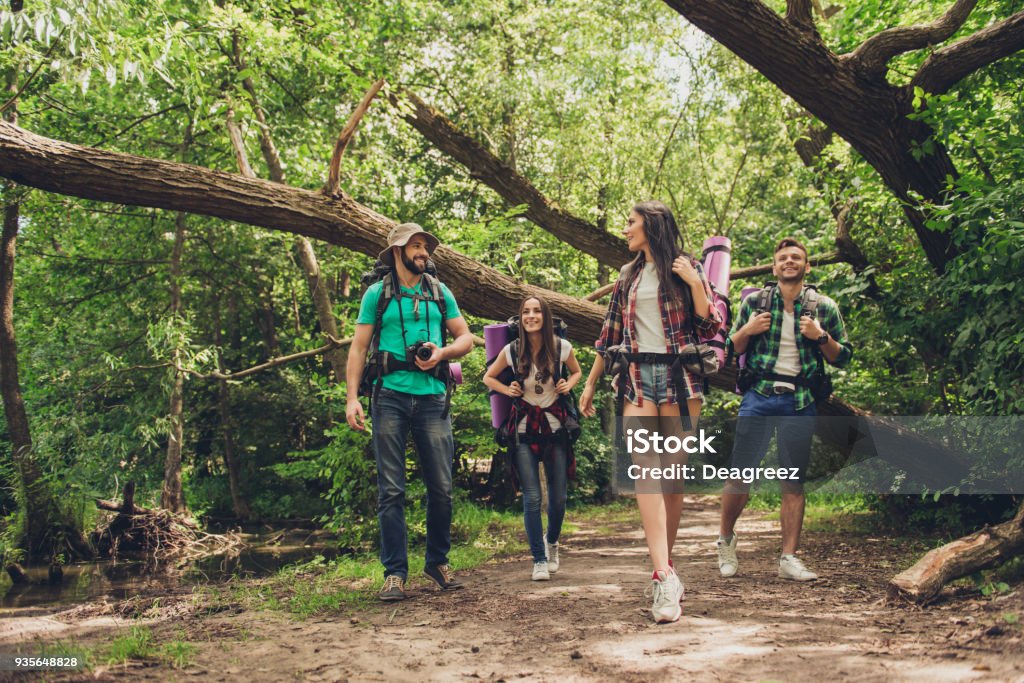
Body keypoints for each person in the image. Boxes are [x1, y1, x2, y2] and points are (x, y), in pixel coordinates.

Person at [579, 200, 722, 624]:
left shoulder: (686, 267)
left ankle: (668, 567)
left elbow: (712, 326)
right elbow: (610, 336)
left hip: (681, 382)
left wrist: (695, 283)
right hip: (638, 380)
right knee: (647, 472)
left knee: (673, 477)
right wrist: (589, 383)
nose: (626, 229)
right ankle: (661, 574)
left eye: (631, 223)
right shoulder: (628, 276)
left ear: (652, 226)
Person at [346, 223, 475, 601]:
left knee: (442, 487)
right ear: (398, 251)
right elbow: (358, 348)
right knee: (391, 489)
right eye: (415, 246)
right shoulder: (377, 294)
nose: (423, 252)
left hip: (434, 397)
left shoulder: (439, 291)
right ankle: (394, 574)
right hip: (389, 398)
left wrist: (443, 352)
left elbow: (465, 337)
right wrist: (352, 397)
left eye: (425, 247)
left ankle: (437, 562)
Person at [716, 237, 852, 582]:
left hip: (800, 401)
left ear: (807, 267)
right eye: (782, 258)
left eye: (796, 258)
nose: (789, 262)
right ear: (774, 267)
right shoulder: (755, 303)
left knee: (793, 483)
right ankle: (725, 540)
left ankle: (788, 558)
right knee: (739, 477)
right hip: (759, 396)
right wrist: (748, 329)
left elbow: (843, 357)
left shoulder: (824, 307)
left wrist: (821, 337)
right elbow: (728, 349)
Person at [483, 296, 583, 581]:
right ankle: (538, 559)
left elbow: (576, 372)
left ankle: (552, 543)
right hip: (524, 429)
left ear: (545, 316)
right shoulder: (512, 350)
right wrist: (507, 389)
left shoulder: (562, 347)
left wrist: (568, 383)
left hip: (556, 429)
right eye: (526, 312)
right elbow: (488, 378)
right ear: (521, 318)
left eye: (536, 311)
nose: (530, 316)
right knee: (531, 497)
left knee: (559, 498)